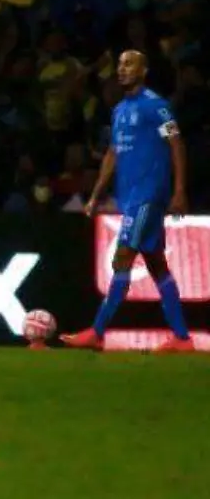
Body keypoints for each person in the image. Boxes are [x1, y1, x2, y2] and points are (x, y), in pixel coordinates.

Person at [66, 50, 193, 352]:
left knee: (122, 258)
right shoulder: (120, 109)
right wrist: (96, 194)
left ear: (144, 70)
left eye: (129, 64)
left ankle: (97, 332)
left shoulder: (157, 106)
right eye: (120, 64)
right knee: (156, 264)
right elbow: (113, 153)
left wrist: (179, 190)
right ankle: (182, 338)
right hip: (129, 195)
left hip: (149, 194)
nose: (122, 69)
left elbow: (176, 144)